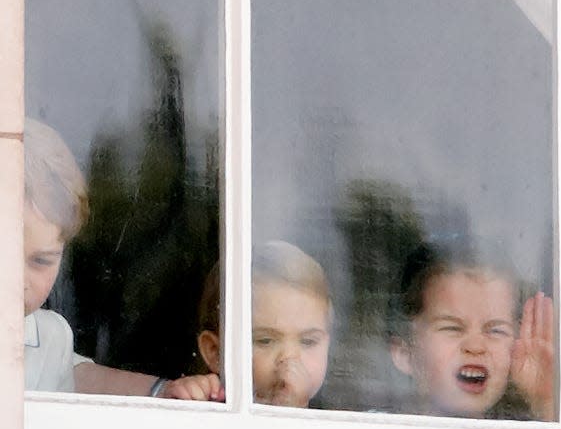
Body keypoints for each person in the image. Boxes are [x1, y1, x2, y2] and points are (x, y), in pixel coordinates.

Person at [23, 117, 220, 399]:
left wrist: (162, 392)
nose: (17, 279)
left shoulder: (49, 335)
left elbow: (80, 378)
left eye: (41, 261)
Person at [387, 240, 554, 420]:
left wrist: (543, 401)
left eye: (496, 331)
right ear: (405, 353)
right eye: (452, 328)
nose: (475, 346)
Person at [196, 240, 332, 408]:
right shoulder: (206, 404)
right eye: (265, 341)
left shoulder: (341, 424)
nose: (290, 357)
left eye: (308, 341)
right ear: (215, 352)